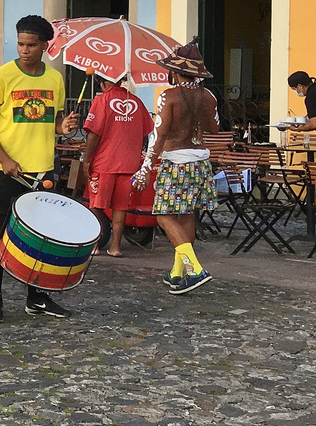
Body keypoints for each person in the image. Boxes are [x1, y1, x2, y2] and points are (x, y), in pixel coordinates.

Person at [0, 15, 81, 322]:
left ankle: (36, 298)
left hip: (43, 170)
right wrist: (5, 159)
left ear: (45, 46)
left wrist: (64, 126)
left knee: (38, 239)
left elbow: (52, 124)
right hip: (6, 170)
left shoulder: (54, 80)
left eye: (31, 45)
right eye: (20, 43)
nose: (24, 50)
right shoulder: (1, 77)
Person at [136, 43, 221, 293]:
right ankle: (177, 272)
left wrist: (145, 167)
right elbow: (214, 128)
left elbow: (158, 135)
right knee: (186, 217)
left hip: (176, 163)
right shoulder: (209, 97)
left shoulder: (168, 96)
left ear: (174, 72)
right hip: (201, 162)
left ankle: (195, 269)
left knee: (164, 216)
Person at [78, 76, 153, 258]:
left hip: (104, 162)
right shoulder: (136, 101)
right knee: (121, 207)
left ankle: (95, 245)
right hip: (129, 163)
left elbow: (94, 133)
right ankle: (116, 247)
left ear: (103, 84)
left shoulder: (101, 100)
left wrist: (87, 160)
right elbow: (145, 133)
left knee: (96, 205)